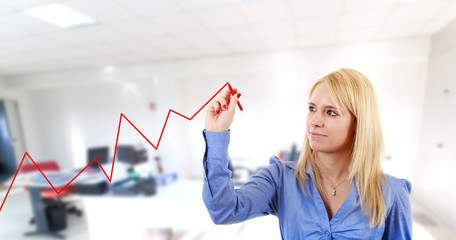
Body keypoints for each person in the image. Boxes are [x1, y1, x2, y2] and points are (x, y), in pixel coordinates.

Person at [201, 68, 412, 239]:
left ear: (359, 124)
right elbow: (223, 210)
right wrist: (216, 134)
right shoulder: (280, 178)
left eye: (331, 112)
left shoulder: (391, 192)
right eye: (312, 108)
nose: (314, 121)